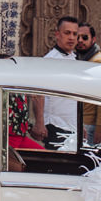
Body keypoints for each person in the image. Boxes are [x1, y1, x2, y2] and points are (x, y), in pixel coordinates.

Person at [39, 16, 81, 146]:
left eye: (75, 34)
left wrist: (80, 124)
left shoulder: (74, 59)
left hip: (73, 126)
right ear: (57, 34)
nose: (71, 37)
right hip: (56, 125)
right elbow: (38, 94)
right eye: (67, 33)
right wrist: (40, 122)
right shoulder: (50, 60)